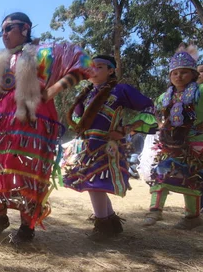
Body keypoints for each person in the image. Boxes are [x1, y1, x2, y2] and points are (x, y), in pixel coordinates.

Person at [0, 12, 91, 244]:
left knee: (29, 172)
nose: (3, 34)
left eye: (8, 28)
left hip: (33, 119)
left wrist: (54, 90)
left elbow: (83, 63)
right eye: (1, 30)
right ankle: (0, 216)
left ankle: (27, 225)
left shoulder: (47, 51)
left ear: (25, 28)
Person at [63, 55, 156, 240]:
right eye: (90, 67)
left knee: (94, 184)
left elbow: (149, 108)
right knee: (93, 184)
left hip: (107, 144)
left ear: (111, 70)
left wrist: (126, 129)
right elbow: (76, 118)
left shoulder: (120, 90)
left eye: (99, 67)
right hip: (87, 144)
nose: (93, 70)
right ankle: (111, 222)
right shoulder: (86, 94)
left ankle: (102, 225)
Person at [142, 44, 203, 230]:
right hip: (171, 142)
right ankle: (155, 210)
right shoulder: (165, 96)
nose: (178, 76)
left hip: (198, 143)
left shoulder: (202, 91)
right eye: (174, 73)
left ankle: (192, 217)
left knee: (192, 179)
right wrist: (161, 125)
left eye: (184, 72)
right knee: (162, 172)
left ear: (194, 75)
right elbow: (153, 111)